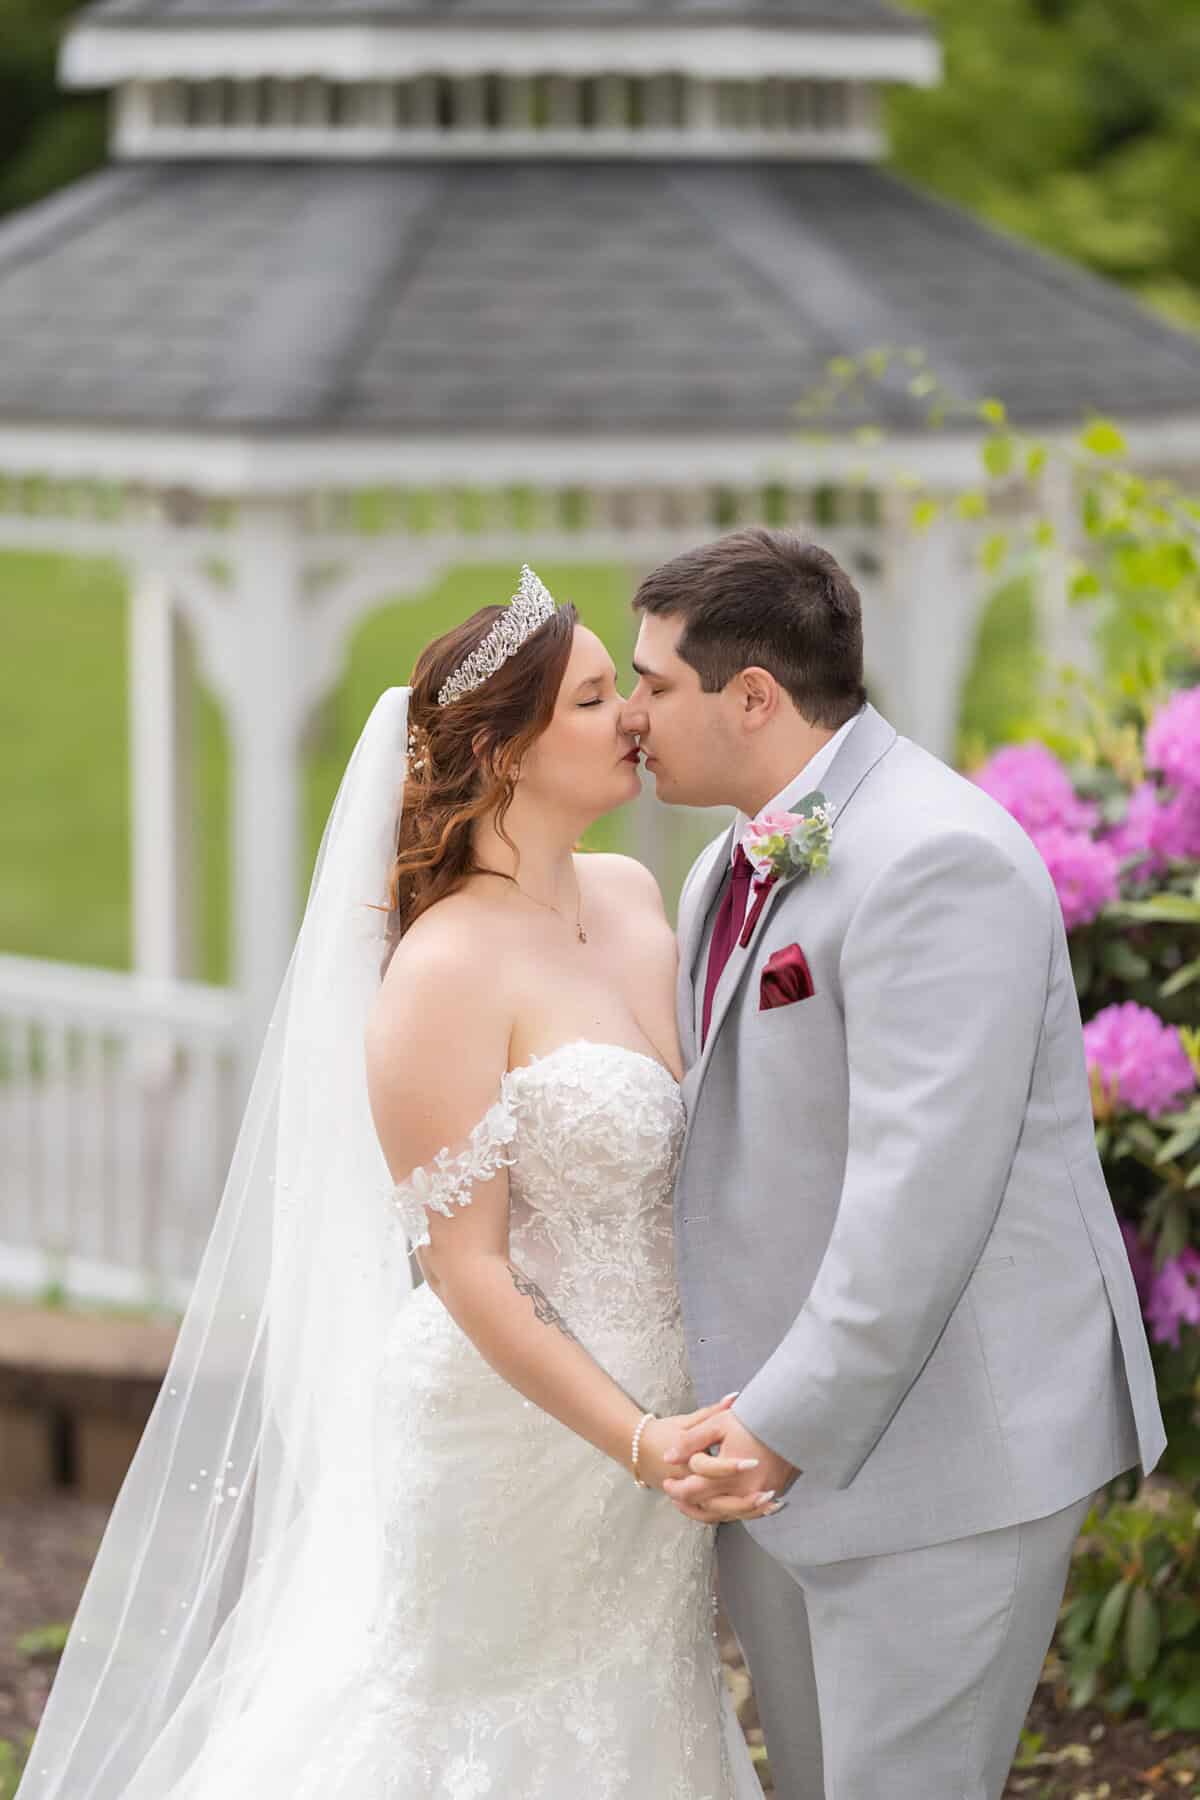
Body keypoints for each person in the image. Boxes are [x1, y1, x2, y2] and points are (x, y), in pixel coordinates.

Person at [16, 566, 766, 1800]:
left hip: (663, 1432)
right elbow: (463, 1266)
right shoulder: (444, 971)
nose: (632, 715)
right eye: (592, 700)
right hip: (517, 1435)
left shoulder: (634, 896)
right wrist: (635, 1437)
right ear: (509, 751)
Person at [621, 528, 1168, 1800]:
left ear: (753, 696)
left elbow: (923, 1193)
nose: (636, 718)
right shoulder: (723, 863)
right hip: (780, 1463)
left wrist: (781, 1423)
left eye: (654, 686)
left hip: (942, 1455)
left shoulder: (939, 858)